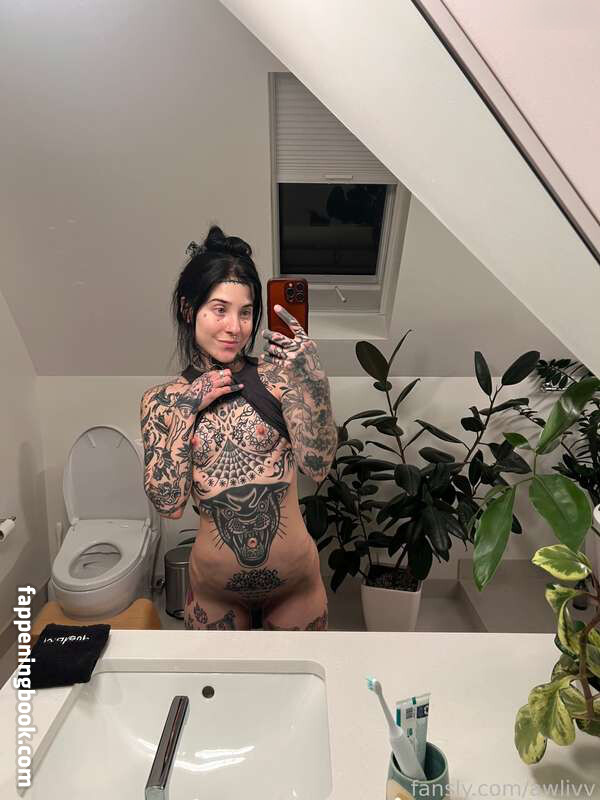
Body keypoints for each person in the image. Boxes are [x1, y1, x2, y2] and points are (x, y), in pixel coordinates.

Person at [140, 225, 336, 630]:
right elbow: (169, 504)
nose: (235, 327)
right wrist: (188, 407)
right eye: (219, 309)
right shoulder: (161, 400)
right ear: (187, 309)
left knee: (300, 675)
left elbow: (318, 469)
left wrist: (314, 383)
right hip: (215, 597)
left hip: (296, 590)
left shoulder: (279, 379)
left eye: (245, 312)